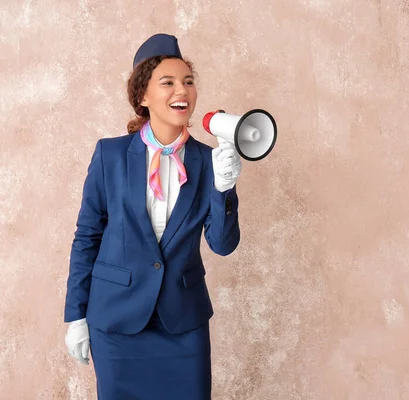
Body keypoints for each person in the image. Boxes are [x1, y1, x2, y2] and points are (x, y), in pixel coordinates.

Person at [63, 33, 242, 399]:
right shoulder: (109, 155)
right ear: (143, 96)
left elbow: (222, 245)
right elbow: (87, 238)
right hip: (116, 325)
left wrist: (225, 187)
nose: (183, 90)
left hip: (183, 325)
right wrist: (75, 316)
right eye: (169, 82)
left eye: (188, 82)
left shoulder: (210, 161)